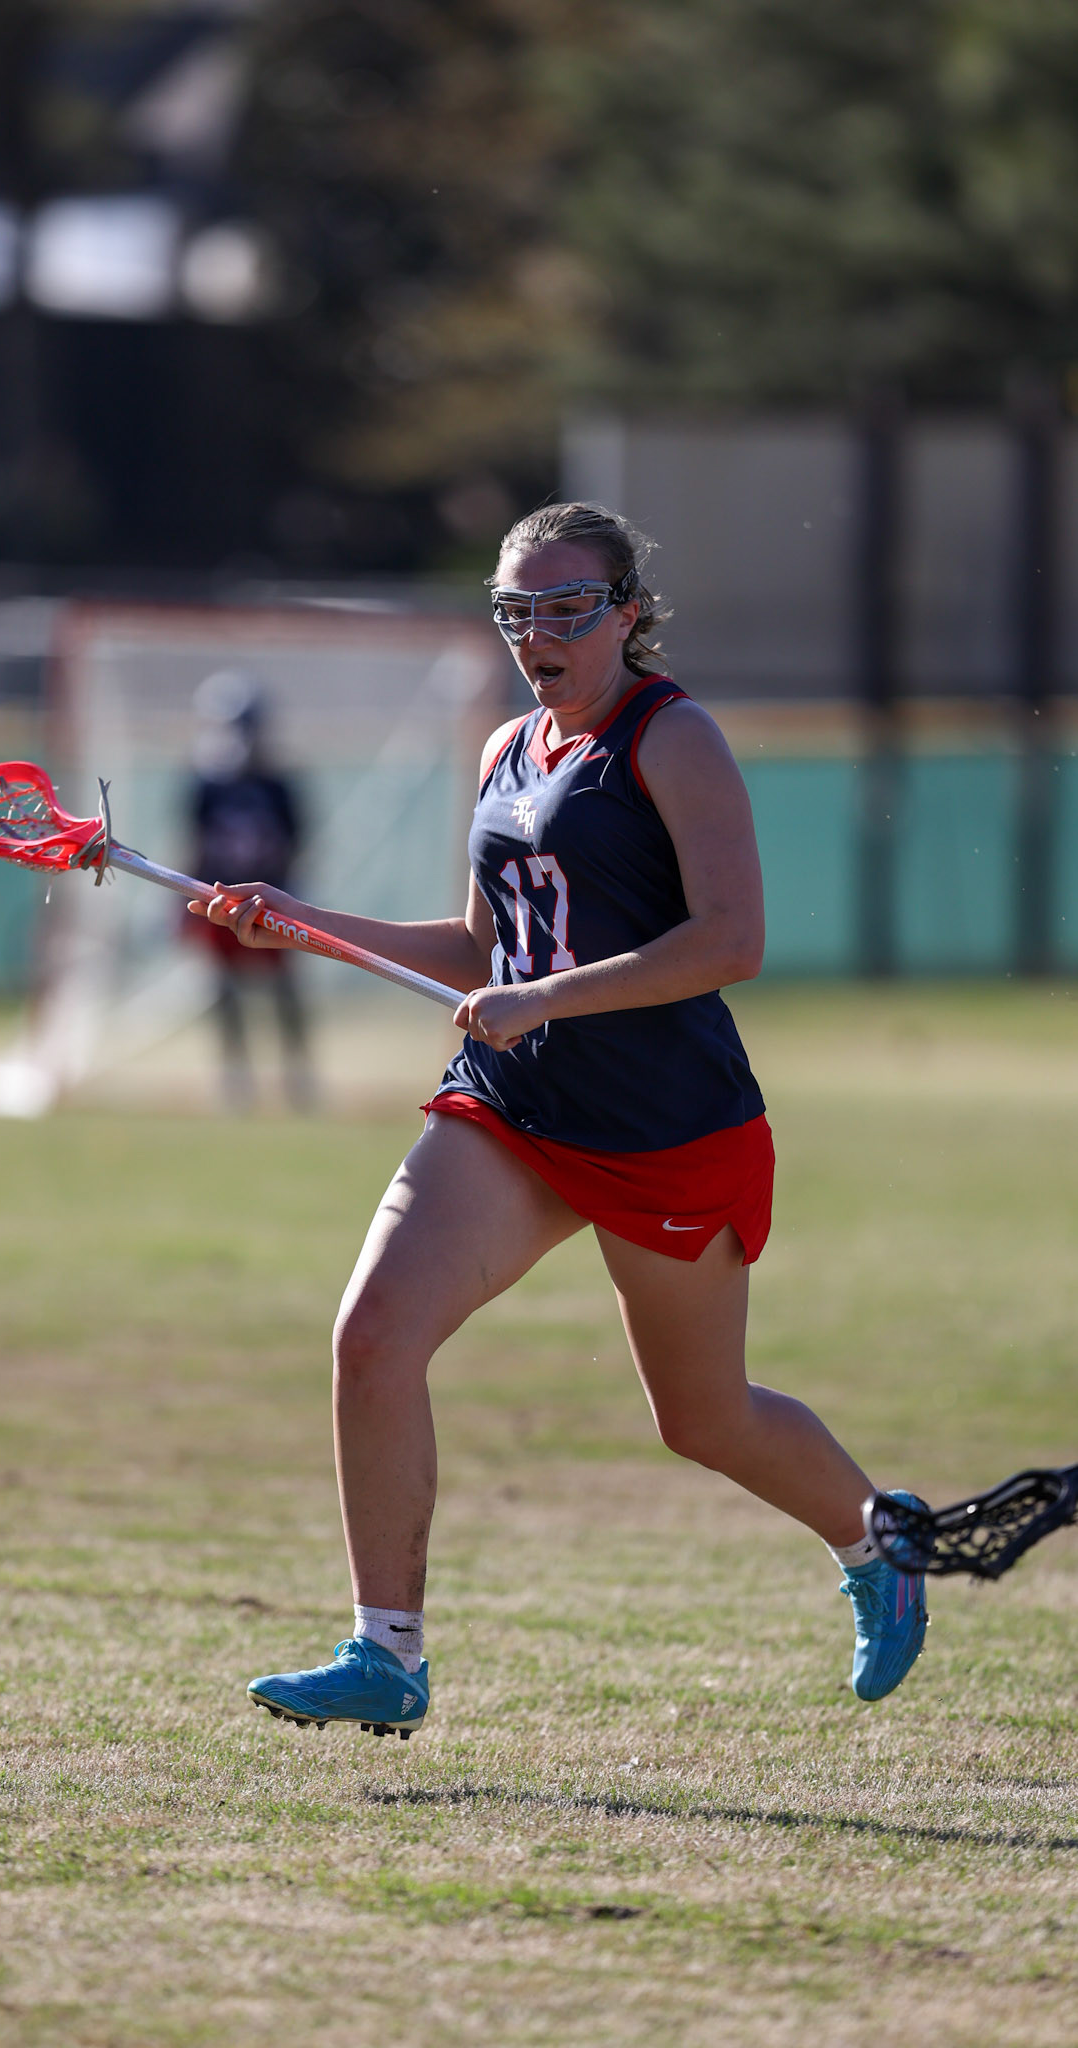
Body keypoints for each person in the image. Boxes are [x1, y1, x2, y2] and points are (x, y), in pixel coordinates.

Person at [189, 501, 927, 1739]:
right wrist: (301, 921)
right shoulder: (505, 747)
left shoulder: (672, 736)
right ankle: (387, 1651)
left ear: (627, 613)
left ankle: (879, 1538)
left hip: (661, 1123)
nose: (539, 633)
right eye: (516, 610)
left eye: (568, 607)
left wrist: (548, 997)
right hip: (516, 1104)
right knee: (373, 1335)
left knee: (703, 1418)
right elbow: (480, 941)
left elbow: (730, 938)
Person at [184, 671, 314, 1111]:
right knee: (223, 992)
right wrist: (183, 903)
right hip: (219, 899)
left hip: (269, 899)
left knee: (283, 991)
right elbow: (194, 842)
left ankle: (296, 1076)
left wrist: (291, 897)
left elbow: (296, 843)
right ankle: (236, 1078)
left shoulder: (277, 786)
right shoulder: (207, 785)